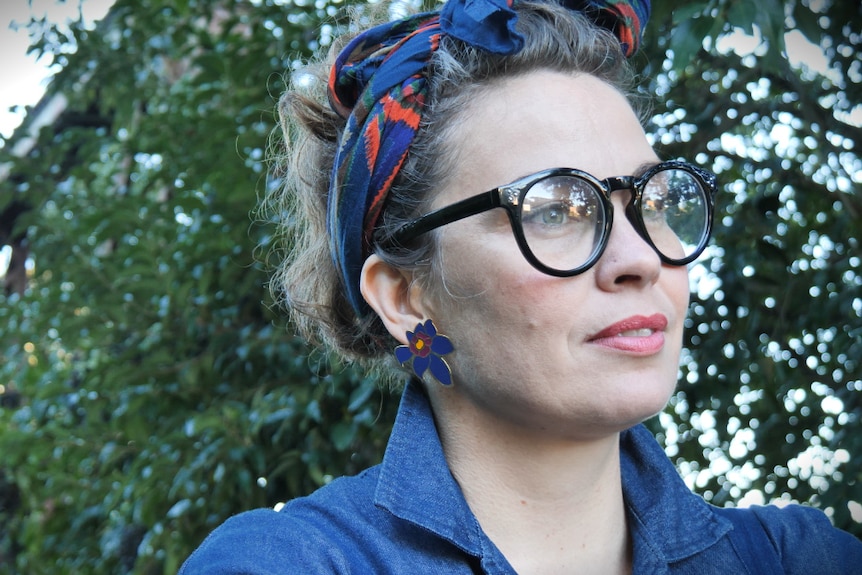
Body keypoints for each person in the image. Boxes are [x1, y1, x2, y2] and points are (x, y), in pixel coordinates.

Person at [180, 0, 862, 573]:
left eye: (653, 200)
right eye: (556, 208)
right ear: (404, 295)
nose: (640, 258)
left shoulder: (790, 556)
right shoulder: (290, 562)